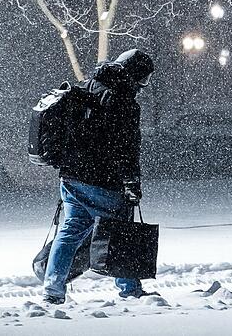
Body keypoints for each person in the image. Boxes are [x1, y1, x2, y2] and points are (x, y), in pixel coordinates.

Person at [42, 48, 156, 305]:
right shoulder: (124, 102)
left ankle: (53, 288)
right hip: (103, 180)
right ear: (135, 75)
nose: (143, 85)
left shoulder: (85, 88)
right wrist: (131, 182)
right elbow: (127, 147)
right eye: (144, 78)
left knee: (70, 231)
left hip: (70, 177)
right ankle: (129, 288)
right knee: (121, 230)